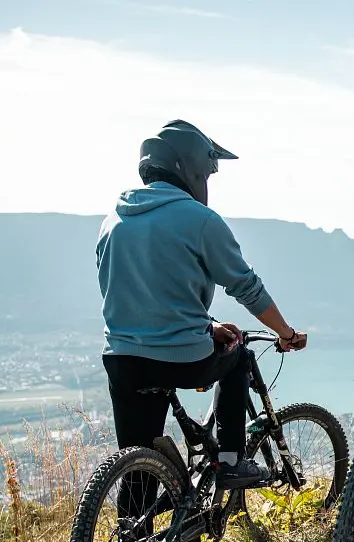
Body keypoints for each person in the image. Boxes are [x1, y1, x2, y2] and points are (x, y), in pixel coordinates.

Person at [96, 119, 307, 491]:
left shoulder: (113, 221)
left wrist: (207, 327)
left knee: (137, 463)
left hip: (122, 360)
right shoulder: (200, 220)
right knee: (239, 357)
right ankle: (231, 462)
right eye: (208, 173)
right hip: (182, 359)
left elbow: (132, 292)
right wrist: (285, 333)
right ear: (191, 167)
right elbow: (246, 287)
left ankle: (135, 526)